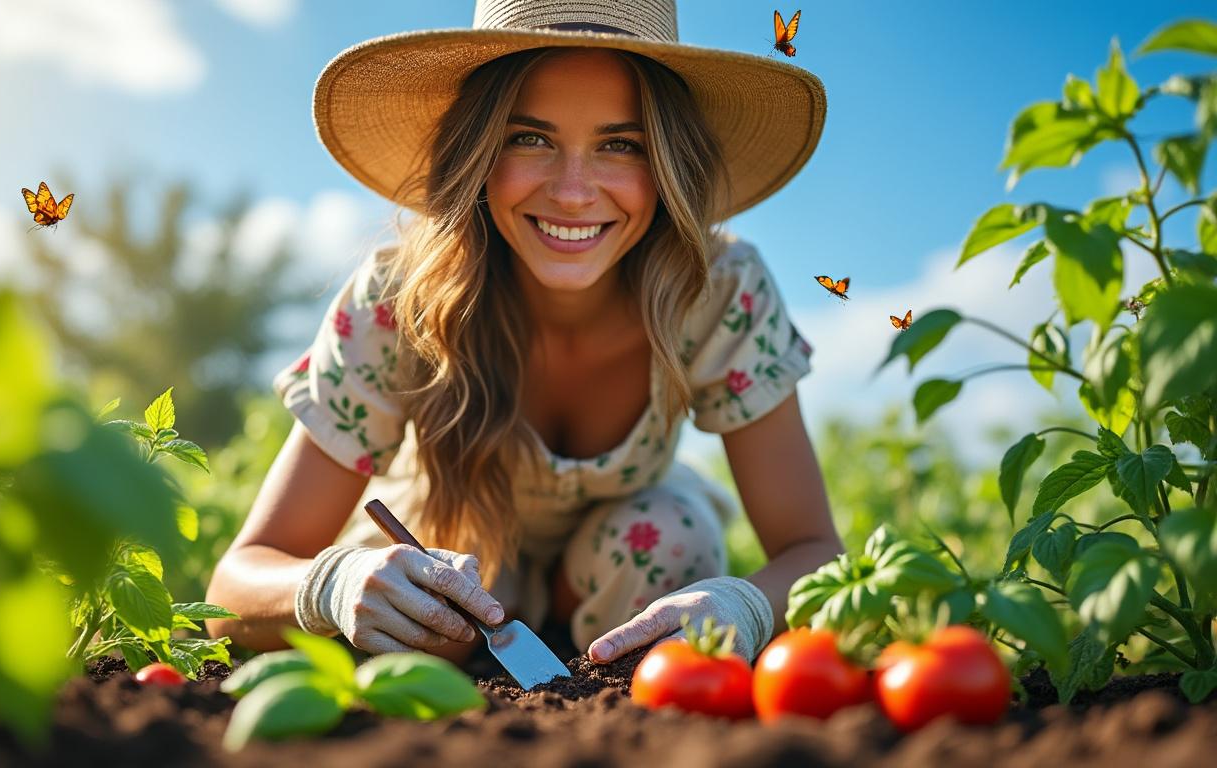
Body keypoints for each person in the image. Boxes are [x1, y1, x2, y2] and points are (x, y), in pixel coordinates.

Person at [205, 0, 842, 667]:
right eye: (529, 138)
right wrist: (330, 585)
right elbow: (238, 581)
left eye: (621, 145)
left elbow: (813, 551)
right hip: (456, 539)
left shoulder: (717, 288)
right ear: (478, 151)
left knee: (667, 546)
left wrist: (743, 603)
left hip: (627, 565)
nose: (572, 193)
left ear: (668, 165)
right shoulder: (398, 297)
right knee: (425, 595)